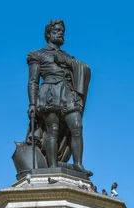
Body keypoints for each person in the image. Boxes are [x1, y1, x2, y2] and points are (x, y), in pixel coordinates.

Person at [27, 19, 91, 175]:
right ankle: (53, 166)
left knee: (77, 126)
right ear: (49, 34)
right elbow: (33, 82)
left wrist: (69, 62)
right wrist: (32, 104)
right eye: (57, 30)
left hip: (68, 93)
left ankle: (77, 164)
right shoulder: (37, 54)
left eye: (62, 31)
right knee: (52, 131)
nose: (61, 33)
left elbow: (81, 69)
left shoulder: (67, 56)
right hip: (49, 93)